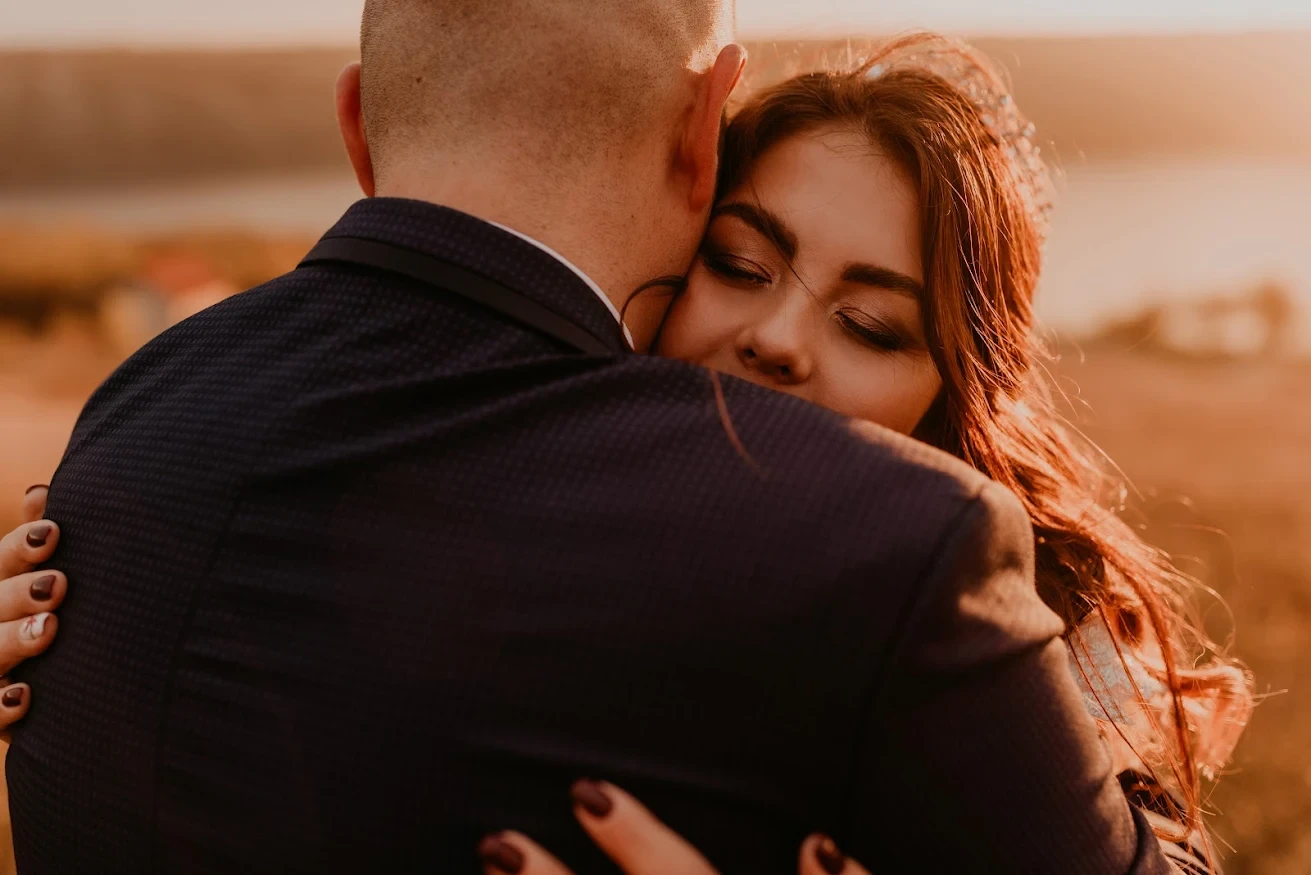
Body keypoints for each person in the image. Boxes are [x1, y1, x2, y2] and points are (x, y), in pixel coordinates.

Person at [2, 5, 1179, 873]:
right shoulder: (890, 554)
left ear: (358, 123)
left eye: (874, 325)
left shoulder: (127, 425)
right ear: (700, 151)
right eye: (739, 263)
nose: (777, 340)